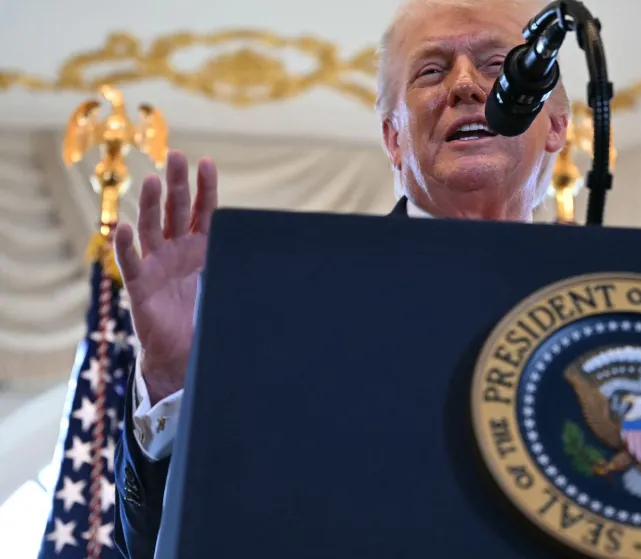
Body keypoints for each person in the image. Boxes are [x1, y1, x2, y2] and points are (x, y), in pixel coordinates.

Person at [111, 0, 570, 556]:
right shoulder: (288, 306)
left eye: (499, 65)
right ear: (393, 139)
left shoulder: (603, 303)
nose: (466, 86)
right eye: (431, 71)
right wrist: (170, 379)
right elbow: (164, 543)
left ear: (556, 125)